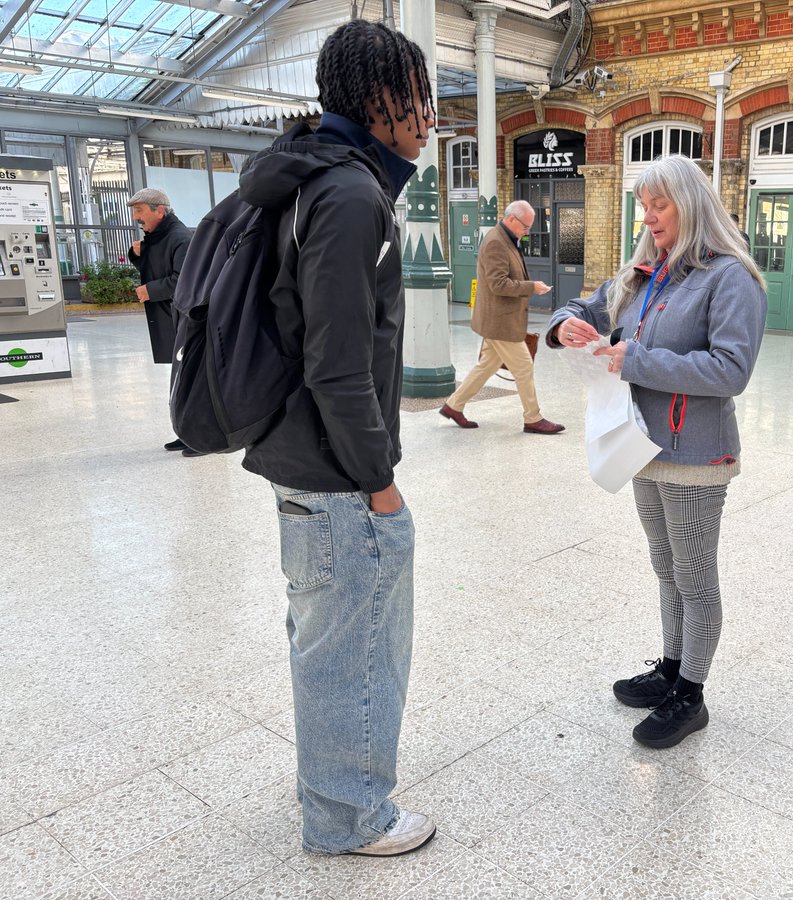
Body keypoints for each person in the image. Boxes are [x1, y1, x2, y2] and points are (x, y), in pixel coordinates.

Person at [235, 19, 437, 858]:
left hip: (305, 460)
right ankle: (351, 818)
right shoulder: (351, 195)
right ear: (377, 100)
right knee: (353, 650)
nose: (428, 118)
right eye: (416, 98)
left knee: (326, 643)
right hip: (336, 475)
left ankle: (332, 795)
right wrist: (378, 481)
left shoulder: (318, 176)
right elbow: (340, 365)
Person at [548, 155, 767, 748]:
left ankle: (691, 694)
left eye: (660, 205)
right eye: (644, 205)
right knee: (665, 564)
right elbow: (590, 307)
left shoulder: (731, 277)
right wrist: (565, 323)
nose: (649, 216)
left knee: (694, 574)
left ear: (691, 206)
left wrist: (635, 359)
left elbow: (730, 370)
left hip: (697, 453)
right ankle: (671, 667)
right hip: (643, 444)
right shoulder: (647, 270)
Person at [439, 200, 563, 434]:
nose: (527, 232)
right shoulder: (496, 242)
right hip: (500, 321)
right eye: (525, 227)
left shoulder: (506, 239)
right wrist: (531, 287)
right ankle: (533, 418)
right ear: (511, 219)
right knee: (524, 367)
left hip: (498, 319)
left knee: (486, 366)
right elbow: (498, 284)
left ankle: (453, 405)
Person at [126, 188, 194, 455]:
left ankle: (201, 437)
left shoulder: (180, 238)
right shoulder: (158, 237)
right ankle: (187, 433)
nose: (136, 217)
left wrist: (149, 290)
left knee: (192, 381)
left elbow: (184, 281)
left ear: (160, 211)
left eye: (139, 211)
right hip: (172, 320)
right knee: (180, 382)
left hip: (187, 322)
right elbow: (155, 268)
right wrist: (136, 254)